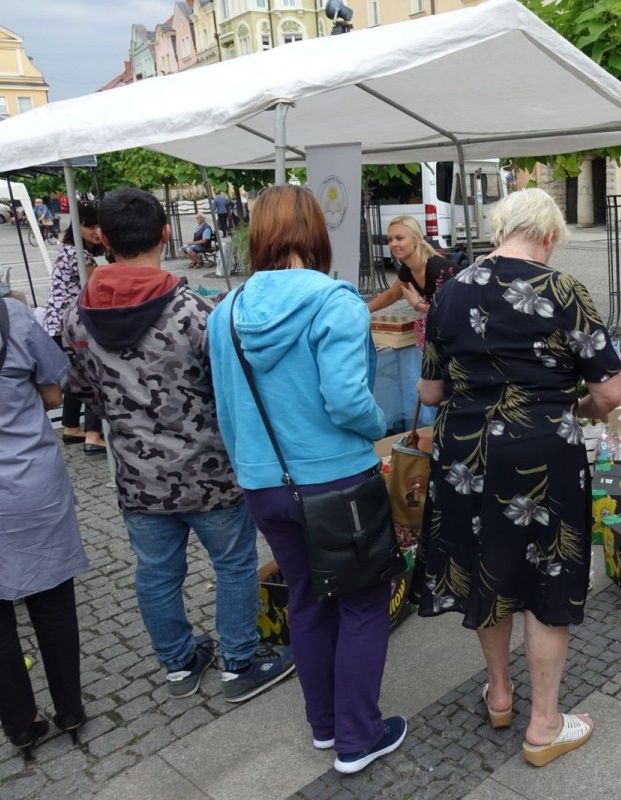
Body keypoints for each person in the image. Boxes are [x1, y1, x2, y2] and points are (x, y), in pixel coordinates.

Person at [414, 188, 621, 768]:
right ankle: (544, 724)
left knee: (489, 565)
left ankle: (500, 695)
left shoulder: (448, 291)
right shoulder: (565, 291)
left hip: (464, 454)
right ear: (549, 237)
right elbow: (609, 393)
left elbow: (429, 392)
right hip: (539, 450)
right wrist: (569, 409)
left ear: (498, 228)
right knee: (546, 576)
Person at [62, 188, 294, 704]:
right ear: (166, 234)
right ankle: (239, 663)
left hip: (137, 478)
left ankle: (178, 664)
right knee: (233, 565)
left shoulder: (77, 316)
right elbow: (228, 384)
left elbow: (80, 391)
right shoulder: (194, 310)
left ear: (102, 238)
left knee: (156, 572)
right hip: (208, 471)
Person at [207, 185, 404, 775]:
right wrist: (377, 424)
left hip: (265, 485)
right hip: (336, 481)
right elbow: (347, 400)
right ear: (316, 232)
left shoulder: (226, 311)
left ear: (257, 234)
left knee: (308, 599)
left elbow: (225, 408)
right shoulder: (334, 301)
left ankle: (325, 727)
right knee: (366, 603)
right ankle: (357, 737)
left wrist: (253, 469)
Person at [0, 295, 89, 761]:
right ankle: (69, 709)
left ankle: (21, 726)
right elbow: (53, 393)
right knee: (52, 602)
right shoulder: (9, 315)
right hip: (29, 482)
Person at [41, 201, 107, 455]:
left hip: (57, 326)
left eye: (98, 226)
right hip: (69, 326)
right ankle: (92, 435)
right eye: (89, 226)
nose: (94, 231)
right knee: (92, 374)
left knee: (75, 377)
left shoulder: (71, 250)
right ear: (77, 227)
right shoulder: (77, 254)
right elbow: (99, 286)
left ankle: (70, 427)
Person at [366, 214, 458, 347]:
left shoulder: (438, 269)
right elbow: (392, 294)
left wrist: (419, 305)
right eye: (390, 240)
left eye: (399, 238)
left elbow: (453, 311)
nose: (393, 244)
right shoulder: (408, 268)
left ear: (417, 239)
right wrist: (363, 309)